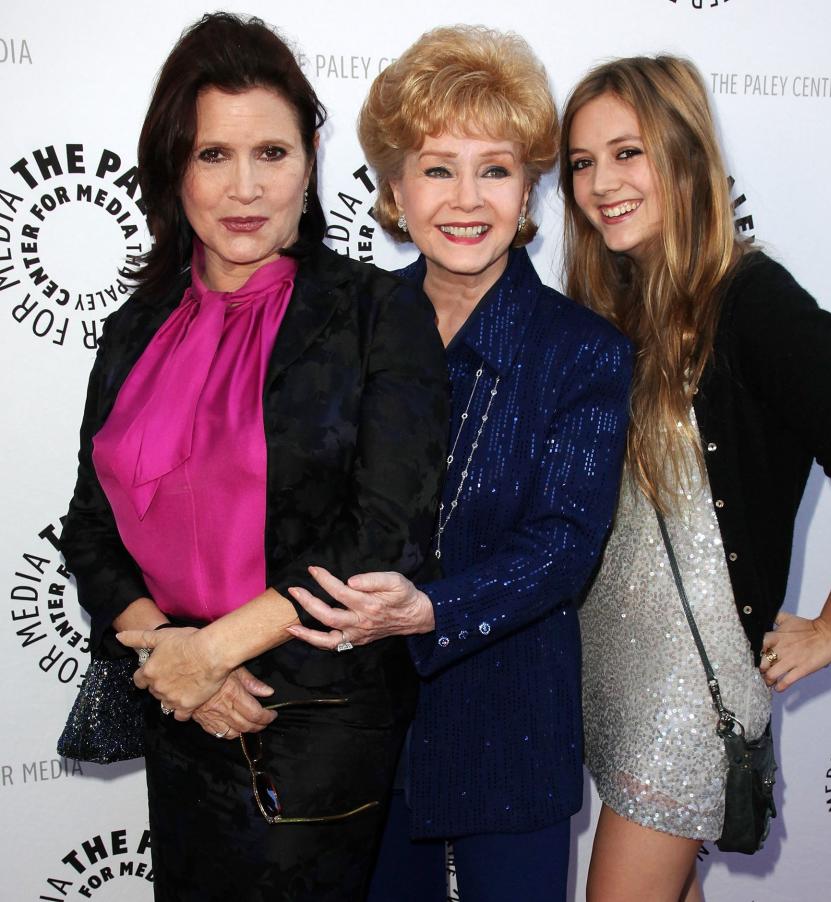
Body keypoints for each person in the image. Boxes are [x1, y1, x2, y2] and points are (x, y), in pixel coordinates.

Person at [60, 13, 448, 901]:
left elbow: (383, 533)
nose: (245, 188)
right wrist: (172, 654)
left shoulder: (374, 313)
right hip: (180, 714)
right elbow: (90, 526)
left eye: (270, 153)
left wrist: (218, 652)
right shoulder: (135, 328)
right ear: (174, 168)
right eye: (212, 156)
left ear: (309, 160)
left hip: (312, 731)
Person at [560, 56, 831, 902]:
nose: (601, 183)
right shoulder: (613, 300)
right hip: (615, 669)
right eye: (582, 162)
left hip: (688, 696)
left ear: (684, 155)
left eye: (628, 152)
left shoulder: (753, 300)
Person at [285, 26, 632, 902]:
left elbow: (565, 543)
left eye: (496, 168)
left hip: (508, 722)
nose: (466, 198)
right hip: (358, 724)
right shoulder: (346, 328)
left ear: (529, 191)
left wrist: (427, 608)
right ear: (395, 189)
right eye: (437, 168)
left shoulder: (581, 351)